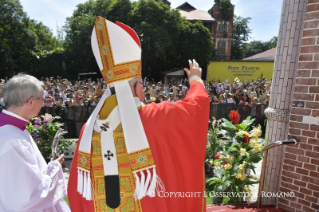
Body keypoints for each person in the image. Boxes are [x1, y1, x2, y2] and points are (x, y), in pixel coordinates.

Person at [67, 17, 209, 212]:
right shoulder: (155, 117)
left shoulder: (87, 130)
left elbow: (76, 191)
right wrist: (195, 80)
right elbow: (195, 108)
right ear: (138, 88)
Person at [0, 74, 70, 212]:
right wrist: (54, 169)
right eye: (42, 99)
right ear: (31, 101)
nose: (44, 104)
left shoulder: (14, 129)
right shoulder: (12, 139)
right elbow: (28, 197)